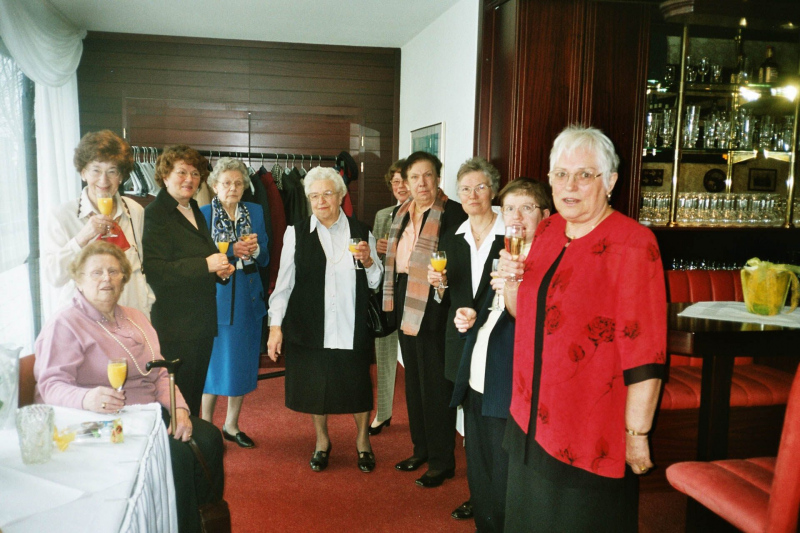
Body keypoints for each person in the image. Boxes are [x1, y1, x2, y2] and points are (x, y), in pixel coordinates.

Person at [499, 125, 666, 531]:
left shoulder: (633, 243)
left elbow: (646, 351)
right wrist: (511, 282)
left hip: (589, 427)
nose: (569, 185)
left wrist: (637, 433)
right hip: (529, 415)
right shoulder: (548, 230)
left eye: (585, 175)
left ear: (610, 181)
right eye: (561, 174)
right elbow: (524, 314)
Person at [33, 241, 224, 533]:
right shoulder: (65, 323)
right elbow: (50, 385)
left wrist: (180, 409)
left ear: (123, 277)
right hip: (97, 422)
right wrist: (87, 398)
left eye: (113, 271)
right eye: (96, 272)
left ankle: (204, 520)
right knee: (175, 458)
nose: (106, 279)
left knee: (209, 438)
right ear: (78, 279)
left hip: (146, 414)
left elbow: (161, 372)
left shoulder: (135, 317)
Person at [450, 178, 552, 531]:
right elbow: (490, 309)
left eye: (526, 208)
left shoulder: (547, 263)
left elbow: (533, 321)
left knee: (504, 479)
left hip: (507, 385)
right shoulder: (505, 253)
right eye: (509, 208)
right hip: (477, 379)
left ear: (545, 216)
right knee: (479, 473)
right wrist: (471, 317)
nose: (516, 216)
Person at [267, 166, 383, 473]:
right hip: (310, 324)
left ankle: (362, 441)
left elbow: (376, 281)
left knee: (357, 386)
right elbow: (284, 285)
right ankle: (322, 441)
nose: (321, 201)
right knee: (314, 388)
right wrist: (275, 327)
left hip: (350, 323)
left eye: (327, 194)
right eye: (314, 196)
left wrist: (369, 261)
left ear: (341, 196)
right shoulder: (295, 233)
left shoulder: (361, 231)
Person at [382, 151, 468, 488]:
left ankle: (442, 461)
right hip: (407, 296)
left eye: (428, 175)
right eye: (415, 177)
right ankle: (421, 449)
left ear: (438, 178)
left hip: (436, 302)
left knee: (435, 386)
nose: (422, 183)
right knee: (414, 382)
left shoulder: (453, 213)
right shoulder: (401, 212)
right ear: (405, 181)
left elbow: (460, 263)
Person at [429, 156, 504, 519]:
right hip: (460, 339)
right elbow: (446, 297)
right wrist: (439, 286)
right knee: (472, 424)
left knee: (495, 425)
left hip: (499, 342)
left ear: (493, 190)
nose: (472, 195)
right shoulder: (452, 238)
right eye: (465, 189)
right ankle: (480, 496)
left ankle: (500, 496)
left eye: (480, 187)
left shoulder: (512, 235)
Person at [143, 145, 235, 416]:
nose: (189, 179)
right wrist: (206, 265)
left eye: (195, 174)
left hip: (201, 321)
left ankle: (191, 440)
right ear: (165, 175)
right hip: (175, 325)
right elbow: (156, 271)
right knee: (175, 400)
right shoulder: (156, 214)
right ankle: (177, 443)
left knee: (193, 394)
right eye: (181, 172)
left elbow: (204, 255)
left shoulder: (193, 207)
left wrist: (219, 272)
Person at [43, 130, 154, 317]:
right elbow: (54, 277)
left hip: (130, 318)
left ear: (121, 176)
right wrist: (82, 238)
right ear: (83, 173)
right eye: (96, 170)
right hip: (84, 322)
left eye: (112, 171)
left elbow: (138, 268)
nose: (104, 180)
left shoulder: (134, 211)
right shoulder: (62, 216)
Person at [199, 158, 269, 448]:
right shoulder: (203, 214)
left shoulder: (255, 211)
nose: (233, 188)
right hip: (216, 296)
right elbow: (200, 258)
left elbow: (266, 257)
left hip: (248, 296)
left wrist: (255, 249)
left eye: (239, 183)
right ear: (215, 186)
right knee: (213, 365)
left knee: (241, 361)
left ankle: (231, 425)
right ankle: (205, 426)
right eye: (226, 183)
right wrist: (231, 251)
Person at [369, 159, 409, 436]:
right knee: (384, 354)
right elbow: (372, 262)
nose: (400, 186)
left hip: (415, 296)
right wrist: (378, 251)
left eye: (404, 180)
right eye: (395, 182)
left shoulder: (429, 215)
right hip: (387, 294)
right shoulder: (383, 215)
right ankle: (383, 413)